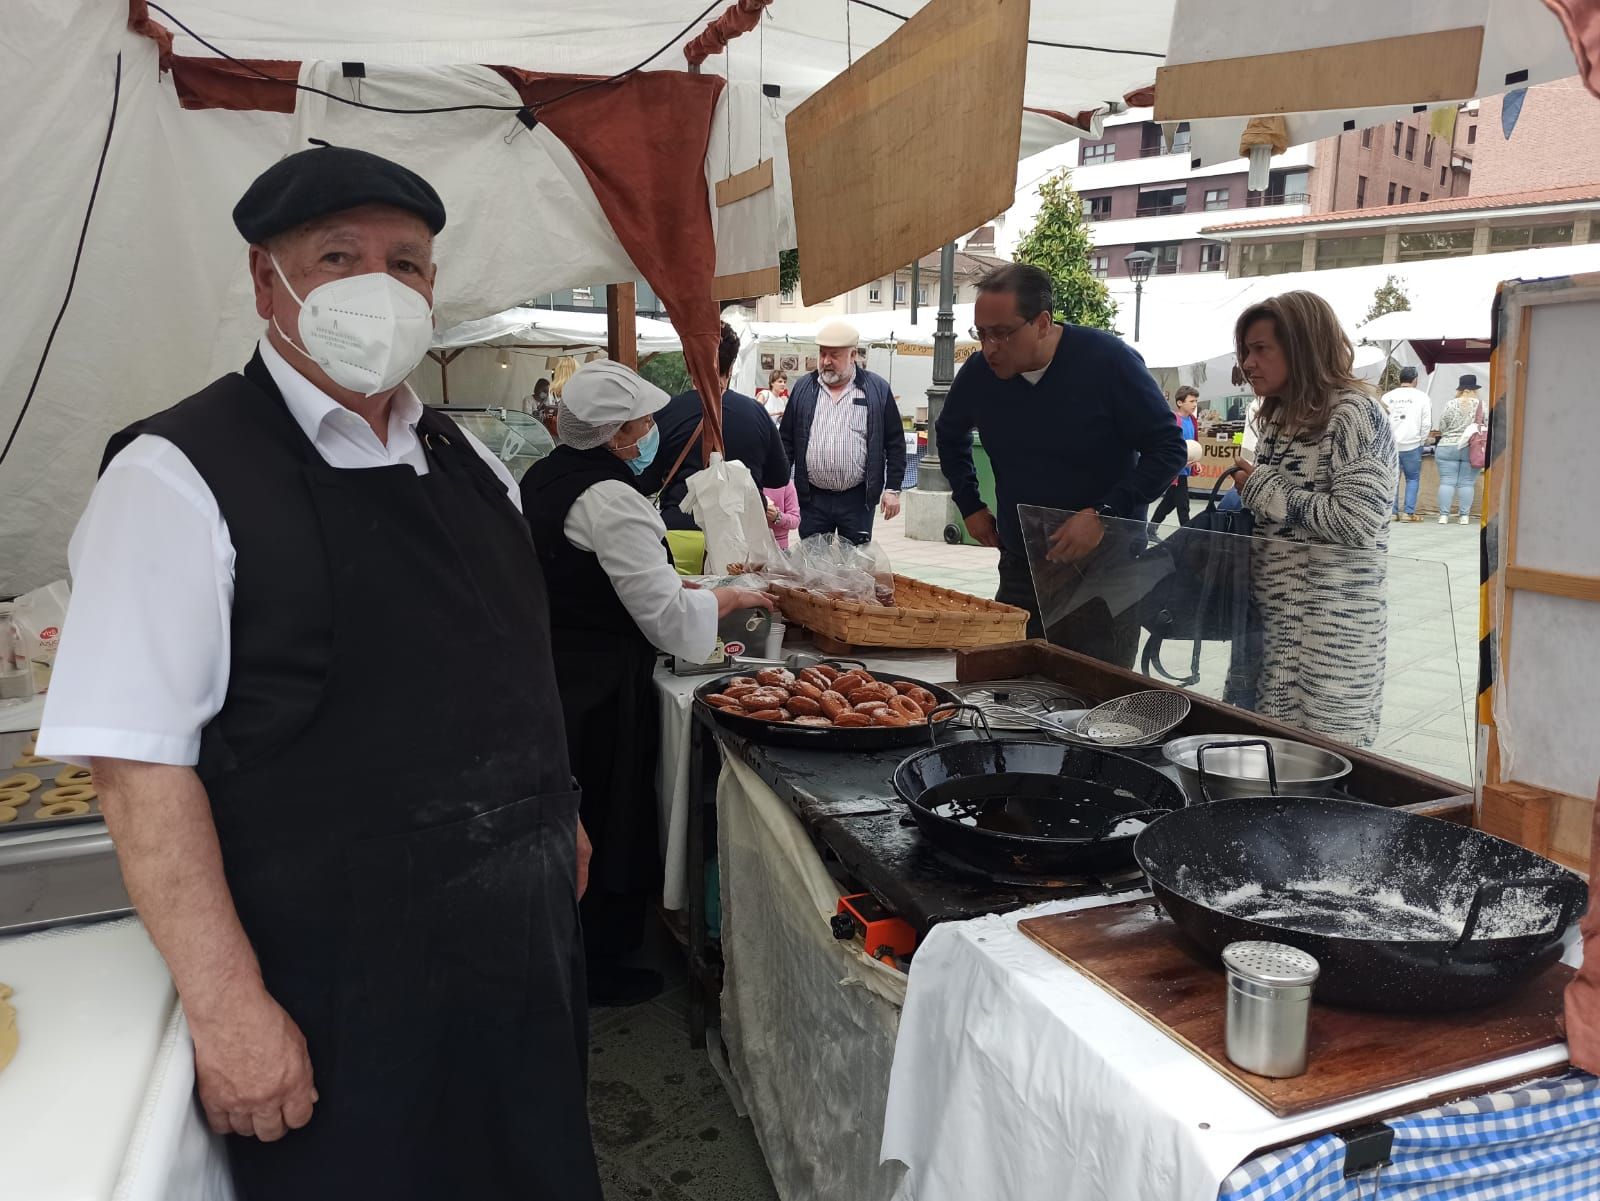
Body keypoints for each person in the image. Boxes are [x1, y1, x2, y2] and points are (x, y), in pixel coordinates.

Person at [35, 144, 603, 1198]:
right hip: (336, 991)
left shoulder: (470, 463)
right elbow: (134, 766)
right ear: (270, 280)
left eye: (409, 262)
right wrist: (226, 1008)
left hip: (515, 965)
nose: (380, 287)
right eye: (340, 256)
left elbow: (507, 662)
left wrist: (552, 807)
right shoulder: (174, 475)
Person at [521, 361, 773, 1005]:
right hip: (600, 681)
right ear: (615, 436)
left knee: (568, 814)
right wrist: (727, 599)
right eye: (641, 425)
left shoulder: (543, 477)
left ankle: (563, 951)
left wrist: (677, 589)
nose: (650, 433)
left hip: (554, 665)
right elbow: (665, 619)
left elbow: (598, 576)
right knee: (606, 812)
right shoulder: (613, 499)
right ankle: (595, 963)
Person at [935, 263, 1186, 661]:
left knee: (1098, 692)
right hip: (1022, 565)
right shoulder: (980, 374)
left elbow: (1168, 449)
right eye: (981, 334)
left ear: (1042, 322)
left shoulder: (1109, 362)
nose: (990, 348)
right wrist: (970, 505)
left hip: (1107, 569)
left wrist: (1104, 515)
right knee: (1012, 680)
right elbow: (949, 435)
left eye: (1002, 333)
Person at [1233, 291, 1397, 748]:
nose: (1248, 362)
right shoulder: (1276, 416)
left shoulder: (1355, 415)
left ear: (1302, 347)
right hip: (1272, 628)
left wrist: (1266, 492)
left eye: (1261, 349)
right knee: (1264, 757)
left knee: (1326, 766)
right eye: (1245, 350)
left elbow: (1360, 520)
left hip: (1333, 634)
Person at [636, 322, 790, 531]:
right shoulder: (756, 413)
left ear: (688, 362)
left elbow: (646, 479)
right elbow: (779, 476)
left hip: (683, 530)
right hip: (741, 533)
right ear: (732, 365)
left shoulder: (667, 412)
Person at [780, 318, 906, 544]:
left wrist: (893, 489)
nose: (826, 361)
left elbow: (895, 442)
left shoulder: (876, 390)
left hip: (857, 499)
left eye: (834, 355)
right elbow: (786, 441)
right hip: (812, 498)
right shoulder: (803, 388)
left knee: (856, 567)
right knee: (813, 567)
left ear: (853, 355)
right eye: (822, 354)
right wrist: (778, 485)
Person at [1382, 365, 1431, 522]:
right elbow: (1426, 424)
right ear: (1415, 379)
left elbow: (1381, 421)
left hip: (1390, 445)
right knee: (1412, 478)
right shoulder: (1423, 397)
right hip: (1412, 444)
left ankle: (1393, 512)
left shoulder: (1387, 397)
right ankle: (1408, 513)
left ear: (1399, 379)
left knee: (1393, 479)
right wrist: (1421, 440)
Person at [1434, 373, 1484, 525]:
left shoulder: (1450, 404)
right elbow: (1485, 428)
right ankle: (1464, 517)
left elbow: (1442, 426)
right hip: (1471, 448)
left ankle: (1443, 516)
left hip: (1447, 446)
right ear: (1475, 389)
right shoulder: (1481, 405)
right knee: (1467, 483)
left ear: (1460, 389)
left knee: (1447, 482)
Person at [1149, 385, 1201, 531]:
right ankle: (1187, 536)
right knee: (1183, 506)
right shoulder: (1173, 420)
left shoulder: (1193, 421)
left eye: (1196, 401)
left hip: (1184, 470)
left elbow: (1193, 443)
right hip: (1175, 470)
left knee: (1169, 502)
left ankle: (1151, 528)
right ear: (1180, 402)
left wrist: (1196, 461)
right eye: (1191, 401)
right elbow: (1168, 445)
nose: (1195, 404)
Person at [765, 477, 802, 549]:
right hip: (749, 546)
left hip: (778, 547)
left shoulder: (785, 483)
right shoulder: (747, 479)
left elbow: (795, 520)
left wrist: (777, 517)